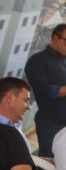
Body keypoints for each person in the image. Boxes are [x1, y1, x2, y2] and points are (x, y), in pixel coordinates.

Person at [25, 23, 66, 158]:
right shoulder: (38, 61)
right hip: (51, 122)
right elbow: (46, 90)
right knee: (49, 162)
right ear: (55, 39)